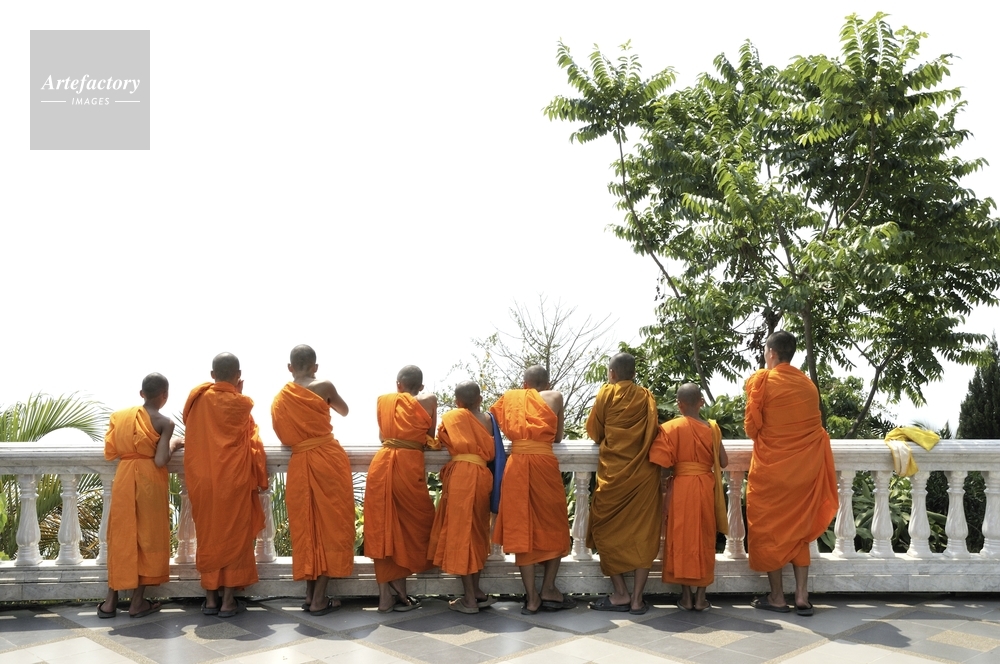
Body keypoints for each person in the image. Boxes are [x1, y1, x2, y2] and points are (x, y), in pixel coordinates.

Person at [745, 331, 838, 616]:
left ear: (771, 353)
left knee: (769, 530)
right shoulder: (808, 385)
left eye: (765, 351)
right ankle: (801, 595)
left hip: (771, 472)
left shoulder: (761, 381)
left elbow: (751, 428)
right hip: (804, 471)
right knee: (799, 532)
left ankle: (776, 596)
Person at [183, 352, 268, 617]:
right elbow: (249, 435)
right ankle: (228, 601)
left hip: (203, 480)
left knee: (208, 535)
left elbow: (193, 427)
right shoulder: (241, 403)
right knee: (235, 536)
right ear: (239, 376)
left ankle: (211, 599)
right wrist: (236, 392)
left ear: (212, 375)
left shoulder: (197, 398)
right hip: (233, 480)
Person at [271, 344, 354, 616]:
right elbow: (344, 411)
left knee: (307, 528)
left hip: (300, 463)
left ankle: (310, 595)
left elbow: (284, 436)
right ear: (315, 366)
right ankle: (319, 599)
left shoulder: (281, 398)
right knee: (331, 527)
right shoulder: (324, 386)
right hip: (328, 460)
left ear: (290, 367)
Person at [98, 373, 183, 619]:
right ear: (165, 395)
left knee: (121, 537)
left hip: (125, 478)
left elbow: (110, 450)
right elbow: (160, 460)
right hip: (149, 482)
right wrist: (175, 444)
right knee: (148, 538)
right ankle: (137, 603)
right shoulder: (165, 422)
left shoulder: (120, 417)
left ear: (142, 394)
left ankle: (110, 602)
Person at [490, 365, 573, 615]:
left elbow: (497, 426)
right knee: (556, 526)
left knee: (521, 528)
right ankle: (548, 588)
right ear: (547, 384)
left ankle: (532, 598)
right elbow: (557, 438)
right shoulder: (555, 396)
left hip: (517, 466)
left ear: (525, 385)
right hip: (544, 464)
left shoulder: (511, 398)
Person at [585, 352, 662, 615]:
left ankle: (621, 593)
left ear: (612, 374)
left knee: (603, 529)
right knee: (644, 535)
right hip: (644, 476)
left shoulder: (606, 394)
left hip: (613, 476)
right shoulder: (646, 397)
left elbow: (595, 432)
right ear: (634, 374)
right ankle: (637, 599)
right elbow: (653, 432)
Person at [364, 365, 439, 613]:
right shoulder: (429, 399)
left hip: (382, 465)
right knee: (416, 526)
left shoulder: (385, 401)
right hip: (409, 465)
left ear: (398, 385)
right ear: (421, 386)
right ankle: (399, 591)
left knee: (382, 529)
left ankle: (387, 595)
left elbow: (381, 437)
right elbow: (429, 436)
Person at [649, 383, 729, 612]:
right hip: (705, 487)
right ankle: (701, 598)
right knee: (704, 538)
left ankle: (686, 598)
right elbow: (724, 462)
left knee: (681, 538)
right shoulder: (712, 428)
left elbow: (662, 464)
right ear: (701, 402)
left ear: (679, 404)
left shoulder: (670, 428)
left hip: (681, 489)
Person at [427, 380, 496, 614]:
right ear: (480, 399)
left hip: (461, 478)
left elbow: (438, 441)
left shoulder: (453, 417)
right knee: (477, 532)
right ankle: (476, 591)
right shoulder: (489, 420)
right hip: (482, 475)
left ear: (457, 402)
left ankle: (469, 599)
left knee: (461, 534)